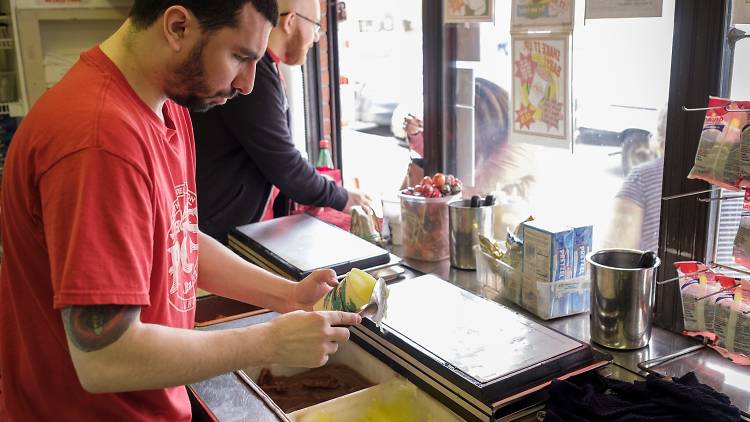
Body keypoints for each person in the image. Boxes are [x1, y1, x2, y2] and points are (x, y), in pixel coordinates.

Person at [0, 1, 361, 420]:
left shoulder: (167, 107)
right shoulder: (99, 140)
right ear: (176, 26)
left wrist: (287, 295)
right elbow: (104, 357)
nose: (247, 84)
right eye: (239, 57)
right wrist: (269, 342)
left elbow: (179, 238)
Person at [190, 0, 372, 244]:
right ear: (290, 21)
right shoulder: (257, 78)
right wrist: (343, 197)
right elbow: (285, 165)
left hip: (235, 228)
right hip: (221, 234)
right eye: (316, 26)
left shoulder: (265, 69)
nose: (316, 37)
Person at [401, 77, 536, 237]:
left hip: (502, 236)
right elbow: (448, 160)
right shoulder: (481, 143)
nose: (459, 131)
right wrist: (419, 137)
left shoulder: (514, 149)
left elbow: (469, 190)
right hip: (473, 230)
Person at [603, 107, 668, 252]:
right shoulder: (725, 183)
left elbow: (619, 251)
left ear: (660, 135)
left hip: (661, 275)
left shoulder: (641, 179)